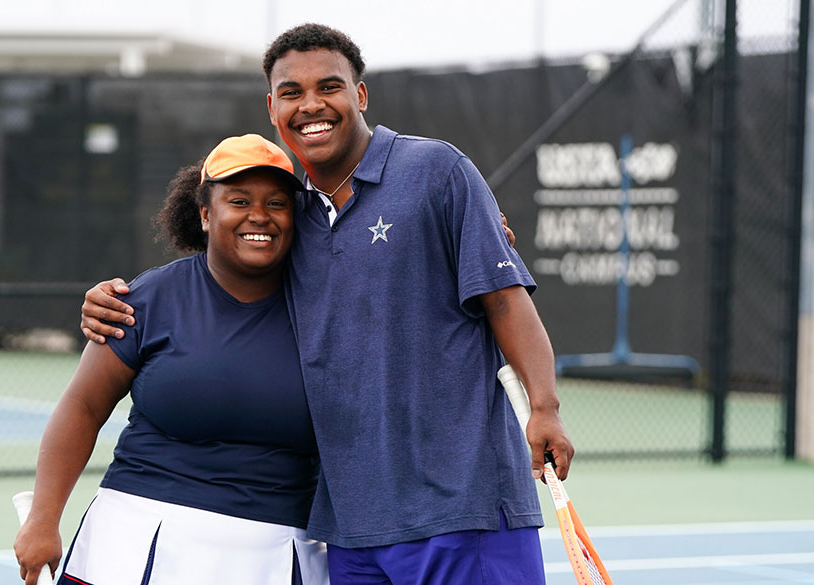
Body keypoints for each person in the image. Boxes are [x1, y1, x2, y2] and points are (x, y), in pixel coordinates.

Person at [80, 24, 574, 585]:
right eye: (291, 93)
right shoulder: (291, 219)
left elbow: (506, 302)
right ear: (272, 108)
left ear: (359, 95)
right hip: (348, 533)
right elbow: (222, 263)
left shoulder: (438, 172)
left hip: (464, 512)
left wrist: (545, 407)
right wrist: (113, 298)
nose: (311, 105)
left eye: (329, 87)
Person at [14, 134, 329, 585]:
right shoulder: (145, 299)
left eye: (277, 203)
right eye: (238, 201)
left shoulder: (327, 312)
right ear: (205, 214)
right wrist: (43, 519)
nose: (259, 216)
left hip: (275, 550)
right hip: (134, 538)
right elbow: (82, 406)